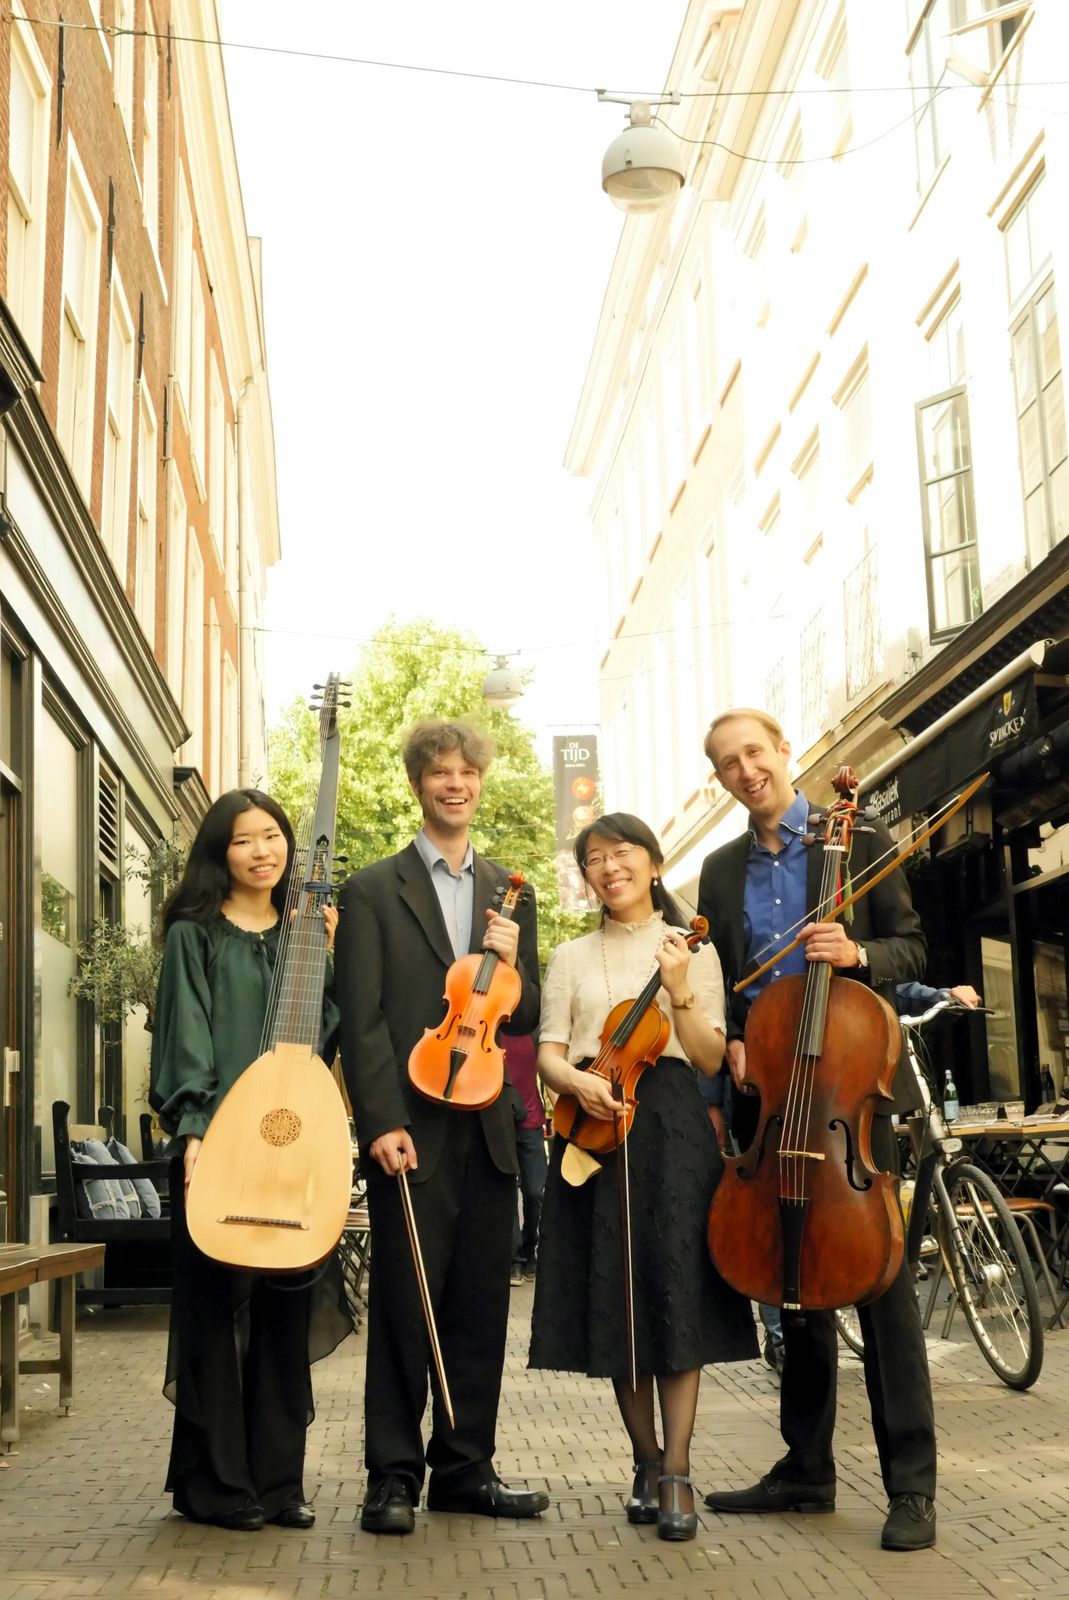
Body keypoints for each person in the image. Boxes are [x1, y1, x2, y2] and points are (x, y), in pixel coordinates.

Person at [697, 710, 938, 1553]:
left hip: (851, 1097)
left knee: (882, 1294)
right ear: (720, 779)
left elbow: (912, 948)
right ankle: (805, 1468)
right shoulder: (719, 871)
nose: (744, 770)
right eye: (727, 763)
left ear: (782, 752)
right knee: (791, 1282)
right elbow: (726, 981)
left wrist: (858, 956)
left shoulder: (856, 838)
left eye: (753, 752)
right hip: (774, 1097)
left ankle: (911, 1487)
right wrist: (733, 1035)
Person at [335, 719, 549, 1535]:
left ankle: (466, 1469)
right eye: (439, 773)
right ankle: (390, 1476)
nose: (454, 784)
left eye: (466, 773)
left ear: (480, 783)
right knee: (403, 1306)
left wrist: (514, 958)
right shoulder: (371, 890)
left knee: (478, 1307)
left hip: (488, 1124)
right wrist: (379, 1121)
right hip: (410, 1128)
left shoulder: (510, 890)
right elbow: (360, 1020)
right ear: (417, 784)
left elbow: (522, 1012)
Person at [529, 813, 758, 1542]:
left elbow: (710, 1057)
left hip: (671, 1126)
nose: (609, 867)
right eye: (594, 859)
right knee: (617, 1297)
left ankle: (678, 1470)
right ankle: (645, 1458)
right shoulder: (570, 956)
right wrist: (576, 1081)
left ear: (653, 864)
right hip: (592, 1124)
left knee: (675, 1289)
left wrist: (680, 988)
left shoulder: (692, 949)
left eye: (622, 852)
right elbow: (548, 1051)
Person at [149, 788, 351, 1532]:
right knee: (215, 1313)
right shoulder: (194, 934)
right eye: (243, 840)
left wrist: (322, 955)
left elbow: (316, 1041)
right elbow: (186, 1034)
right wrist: (195, 1129)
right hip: (215, 1144)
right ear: (219, 852)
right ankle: (216, 1484)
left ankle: (278, 1482)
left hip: (287, 1143)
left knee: (282, 1311)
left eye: (272, 836)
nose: (262, 851)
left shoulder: (302, 934)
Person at [505, 1034, 548, 1286]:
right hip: (501, 1119)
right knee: (506, 1191)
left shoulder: (534, 1029)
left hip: (531, 1122)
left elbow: (550, 1068)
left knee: (535, 1191)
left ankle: (530, 1247)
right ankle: (514, 1259)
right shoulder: (493, 1029)